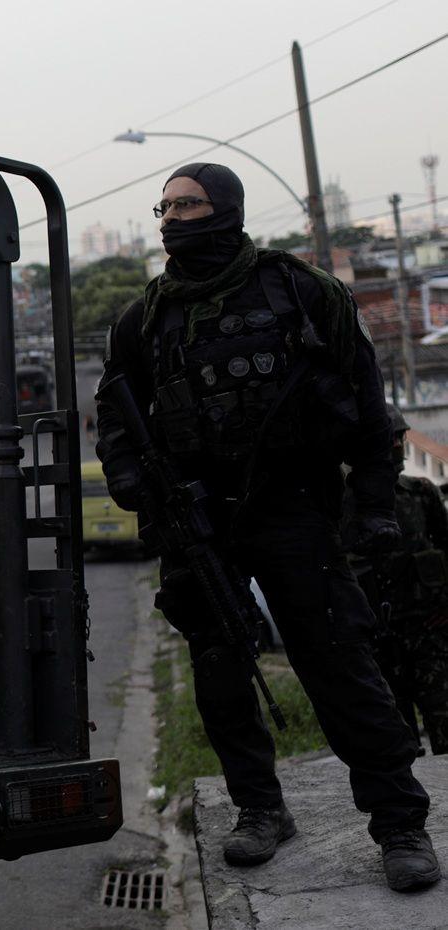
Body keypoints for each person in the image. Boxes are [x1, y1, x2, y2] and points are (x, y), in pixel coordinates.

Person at [94, 162, 438, 891]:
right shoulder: (147, 318)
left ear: (225, 209)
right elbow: (115, 421)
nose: (172, 219)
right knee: (219, 673)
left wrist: (374, 505)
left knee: (339, 664)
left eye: (188, 205)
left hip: (293, 511)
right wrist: (135, 485)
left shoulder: (300, 290)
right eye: (165, 207)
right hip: (200, 524)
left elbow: (368, 406)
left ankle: (400, 824)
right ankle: (259, 809)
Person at [344, 405, 448, 755]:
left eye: (398, 438)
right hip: (377, 637)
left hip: (428, 630)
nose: (397, 446)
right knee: (396, 741)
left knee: (444, 721)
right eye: (390, 439)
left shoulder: (421, 493)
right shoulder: (343, 504)